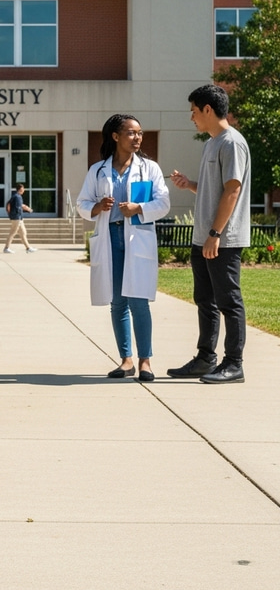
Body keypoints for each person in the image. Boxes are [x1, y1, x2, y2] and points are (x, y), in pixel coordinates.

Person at [168, 84, 251, 384]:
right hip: (203, 237)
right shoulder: (210, 144)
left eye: (193, 111)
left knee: (228, 300)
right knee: (205, 299)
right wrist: (190, 184)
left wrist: (216, 233)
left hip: (222, 239)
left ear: (207, 109)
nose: (191, 118)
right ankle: (206, 358)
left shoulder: (232, 143)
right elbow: (213, 189)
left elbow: (232, 190)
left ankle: (234, 363)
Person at [77, 114, 170, 382]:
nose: (137, 138)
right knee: (117, 303)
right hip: (110, 237)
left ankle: (145, 361)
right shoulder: (98, 170)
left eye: (139, 133)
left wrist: (138, 208)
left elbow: (163, 203)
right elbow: (83, 204)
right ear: (115, 136)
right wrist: (97, 207)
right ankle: (126, 360)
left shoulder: (149, 168)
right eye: (131, 133)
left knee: (138, 301)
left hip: (137, 238)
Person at [3, 183, 38, 254]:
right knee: (13, 232)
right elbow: (18, 208)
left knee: (23, 232)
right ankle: (6, 248)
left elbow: (20, 205)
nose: (24, 190)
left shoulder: (16, 196)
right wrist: (25, 211)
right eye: (23, 188)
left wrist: (27, 208)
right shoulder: (17, 197)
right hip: (17, 218)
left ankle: (28, 248)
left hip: (18, 218)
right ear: (21, 189)